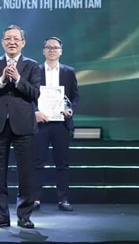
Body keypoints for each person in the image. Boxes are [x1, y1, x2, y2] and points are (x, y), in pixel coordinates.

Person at [0, 25, 40, 229]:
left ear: (23, 43)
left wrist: (17, 79)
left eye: (16, 39)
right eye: (8, 38)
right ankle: (1, 216)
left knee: (25, 173)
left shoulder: (32, 66)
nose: (12, 42)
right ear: (2, 42)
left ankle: (24, 216)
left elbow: (35, 93)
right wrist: (2, 80)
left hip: (23, 126)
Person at [33, 36, 80, 212]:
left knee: (62, 163)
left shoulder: (69, 72)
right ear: (43, 51)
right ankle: (35, 199)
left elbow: (75, 96)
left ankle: (63, 199)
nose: (52, 50)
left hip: (62, 123)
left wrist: (71, 109)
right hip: (41, 123)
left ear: (61, 51)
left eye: (55, 48)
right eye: (49, 47)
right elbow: (28, 96)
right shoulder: (35, 71)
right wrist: (35, 112)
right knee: (37, 163)